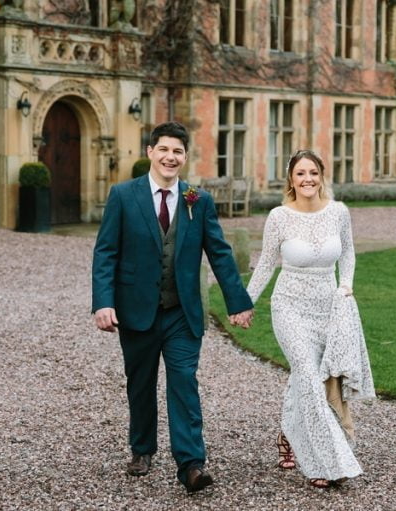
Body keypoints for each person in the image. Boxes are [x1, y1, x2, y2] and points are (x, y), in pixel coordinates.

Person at [92, 121, 254, 493]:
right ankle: (143, 448)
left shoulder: (198, 199)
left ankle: (191, 464)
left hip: (182, 312)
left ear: (184, 157)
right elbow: (106, 252)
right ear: (150, 152)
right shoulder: (122, 195)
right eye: (164, 149)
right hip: (136, 310)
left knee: (184, 383)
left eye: (178, 151)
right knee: (141, 384)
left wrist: (237, 302)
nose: (170, 157)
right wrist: (103, 302)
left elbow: (219, 253)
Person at [246, 149, 375, 489]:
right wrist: (244, 303)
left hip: (329, 310)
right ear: (291, 179)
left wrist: (346, 287)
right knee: (306, 372)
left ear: (322, 176)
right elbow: (265, 264)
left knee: (306, 378)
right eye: (300, 173)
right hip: (289, 308)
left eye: (313, 172)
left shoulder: (338, 212)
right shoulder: (278, 217)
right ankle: (328, 460)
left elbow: (347, 252)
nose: (307, 179)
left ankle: (288, 435)